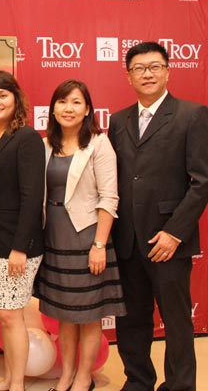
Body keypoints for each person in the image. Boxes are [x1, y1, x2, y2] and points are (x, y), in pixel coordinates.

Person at [108, 41, 208, 391]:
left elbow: (202, 182)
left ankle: (180, 386)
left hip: (168, 240)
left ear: (167, 70)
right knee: (132, 319)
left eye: (154, 66)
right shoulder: (118, 121)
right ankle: (137, 380)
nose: (147, 73)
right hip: (127, 240)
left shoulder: (192, 115)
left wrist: (175, 233)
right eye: (139, 68)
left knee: (177, 321)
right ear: (129, 76)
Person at [36, 80, 126, 391]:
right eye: (62, 102)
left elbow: (109, 198)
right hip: (54, 237)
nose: (68, 108)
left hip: (87, 237)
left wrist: (99, 244)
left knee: (89, 314)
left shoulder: (99, 143)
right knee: (64, 313)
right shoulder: (46, 143)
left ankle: (84, 378)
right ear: (53, 108)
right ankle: (66, 375)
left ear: (88, 108)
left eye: (76, 102)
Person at [0, 71, 45, 391]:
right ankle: (10, 380)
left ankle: (15, 386)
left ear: (16, 98)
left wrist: (20, 247)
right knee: (7, 316)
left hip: (15, 243)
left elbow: (33, 197)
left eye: (2, 95)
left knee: (11, 317)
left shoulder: (26, 137)